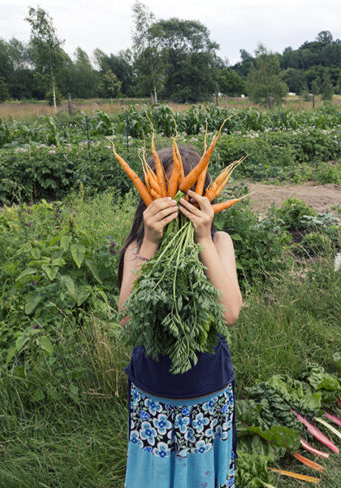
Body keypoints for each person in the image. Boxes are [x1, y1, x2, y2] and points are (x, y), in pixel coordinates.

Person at [117, 145, 243, 488]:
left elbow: (229, 312)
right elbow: (128, 319)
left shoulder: (220, 243)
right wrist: (151, 242)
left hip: (207, 391)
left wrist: (202, 237)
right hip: (154, 394)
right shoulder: (137, 248)